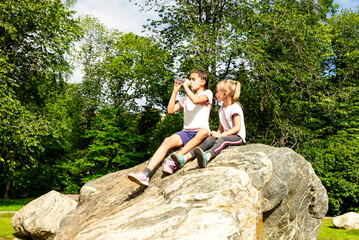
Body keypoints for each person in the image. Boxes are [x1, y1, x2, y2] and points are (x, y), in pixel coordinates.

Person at [128, 70, 213, 186]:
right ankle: (145, 174)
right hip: (186, 132)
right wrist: (175, 91)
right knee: (167, 140)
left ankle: (175, 159)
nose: (190, 81)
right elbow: (170, 110)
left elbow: (196, 100)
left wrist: (185, 86)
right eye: (190, 79)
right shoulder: (186, 99)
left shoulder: (208, 93)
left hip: (200, 132)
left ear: (203, 81)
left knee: (204, 132)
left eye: (193, 79)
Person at [171, 79, 245, 168]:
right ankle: (184, 158)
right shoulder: (221, 109)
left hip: (237, 137)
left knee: (222, 141)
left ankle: (207, 156)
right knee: (208, 140)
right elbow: (220, 129)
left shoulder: (235, 108)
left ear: (225, 94)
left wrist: (222, 135)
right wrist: (216, 133)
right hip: (225, 135)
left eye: (217, 92)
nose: (216, 94)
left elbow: (237, 128)